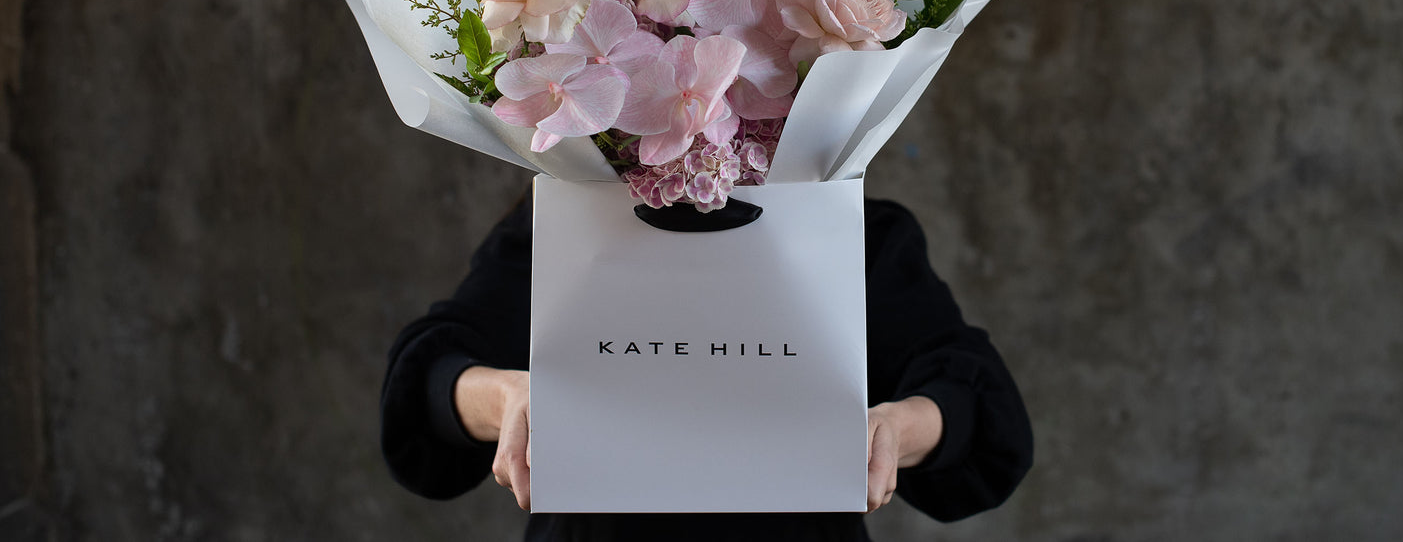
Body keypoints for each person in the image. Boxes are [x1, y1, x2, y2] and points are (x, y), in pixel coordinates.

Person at [381, 187, 1033, 541]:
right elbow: (430, 381)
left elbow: (970, 398)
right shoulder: (564, 228)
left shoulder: (850, 233)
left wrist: (900, 425)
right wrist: (504, 397)